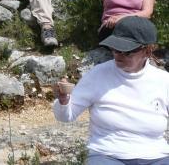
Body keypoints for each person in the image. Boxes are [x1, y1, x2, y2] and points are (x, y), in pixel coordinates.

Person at [53, 16, 169, 164]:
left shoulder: (163, 80)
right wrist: (64, 101)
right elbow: (66, 116)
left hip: (156, 155)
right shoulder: (97, 74)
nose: (118, 55)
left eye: (126, 51)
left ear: (147, 51)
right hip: (106, 153)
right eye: (115, 49)